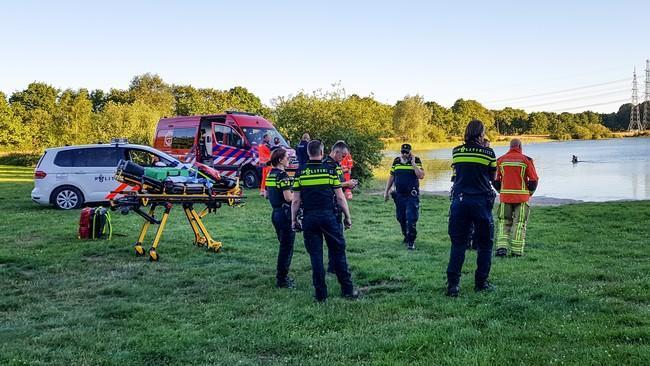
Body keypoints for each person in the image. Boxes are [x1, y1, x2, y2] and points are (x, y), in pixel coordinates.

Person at [291, 140, 358, 302]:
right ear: (322, 152)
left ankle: (321, 295)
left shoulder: (301, 172)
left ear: (308, 153)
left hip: (309, 217)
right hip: (329, 217)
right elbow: (340, 197)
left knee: (316, 256)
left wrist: (293, 220)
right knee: (338, 253)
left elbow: (295, 201)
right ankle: (348, 290)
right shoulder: (329, 171)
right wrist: (347, 217)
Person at [446, 120, 497, 297]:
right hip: (481, 202)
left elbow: (457, 174)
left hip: (460, 201)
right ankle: (481, 282)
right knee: (485, 244)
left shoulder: (457, 151)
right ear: (481, 133)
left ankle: (453, 285)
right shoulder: (488, 153)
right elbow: (493, 177)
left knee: (458, 244)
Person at [493, 139, 539, 257]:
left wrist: (501, 191)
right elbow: (534, 180)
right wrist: (529, 193)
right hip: (522, 198)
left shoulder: (500, 160)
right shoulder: (526, 160)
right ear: (520, 146)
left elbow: (495, 180)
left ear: (510, 146)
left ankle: (501, 248)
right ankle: (517, 251)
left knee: (503, 222)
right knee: (519, 223)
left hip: (505, 198)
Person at [323, 141, 358, 273]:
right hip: (331, 204)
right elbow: (330, 185)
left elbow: (339, 182)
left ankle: (333, 267)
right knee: (337, 240)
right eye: (342, 156)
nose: (343, 159)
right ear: (336, 152)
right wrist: (346, 184)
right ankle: (339, 269)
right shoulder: (327, 165)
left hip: (336, 205)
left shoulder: (337, 165)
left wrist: (348, 184)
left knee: (337, 238)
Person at [383, 143, 424, 250]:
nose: (404, 154)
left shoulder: (417, 160)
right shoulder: (396, 161)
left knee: (411, 218)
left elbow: (421, 176)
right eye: (403, 152)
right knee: (401, 218)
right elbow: (391, 176)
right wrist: (386, 191)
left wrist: (413, 163)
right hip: (399, 195)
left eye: (407, 152)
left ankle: (411, 241)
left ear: (410, 152)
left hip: (412, 195)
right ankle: (406, 236)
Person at [265, 148, 296, 288]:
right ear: (280, 160)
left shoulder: (270, 174)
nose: (288, 159)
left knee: (284, 245)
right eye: (287, 157)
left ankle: (282, 277)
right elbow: (288, 197)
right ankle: (282, 279)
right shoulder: (283, 175)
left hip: (275, 214)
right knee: (286, 248)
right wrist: (299, 195)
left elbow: (266, 194)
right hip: (285, 215)